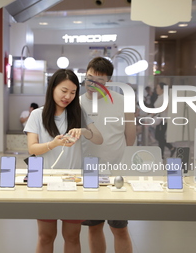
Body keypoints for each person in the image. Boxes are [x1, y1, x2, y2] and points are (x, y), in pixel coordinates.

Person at [24, 69, 103, 253]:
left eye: (73, 92)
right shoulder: (37, 114)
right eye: (64, 90)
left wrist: (84, 131)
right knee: (45, 236)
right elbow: (32, 148)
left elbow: (99, 138)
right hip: (44, 182)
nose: (68, 96)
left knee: (72, 236)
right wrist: (52, 144)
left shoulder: (78, 113)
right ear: (52, 88)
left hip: (73, 182)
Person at [80, 57, 135, 253]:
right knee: (94, 227)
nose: (92, 84)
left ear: (109, 82)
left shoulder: (122, 102)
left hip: (116, 173)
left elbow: (130, 136)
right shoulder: (77, 104)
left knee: (119, 228)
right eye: (89, 78)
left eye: (99, 80)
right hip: (89, 172)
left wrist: (123, 163)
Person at [154, 82, 176, 159]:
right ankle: (171, 148)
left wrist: (159, 111)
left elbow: (167, 107)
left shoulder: (165, 97)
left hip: (164, 119)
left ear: (162, 89)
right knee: (158, 137)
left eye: (158, 88)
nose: (156, 89)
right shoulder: (159, 97)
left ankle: (162, 154)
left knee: (160, 137)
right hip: (160, 118)